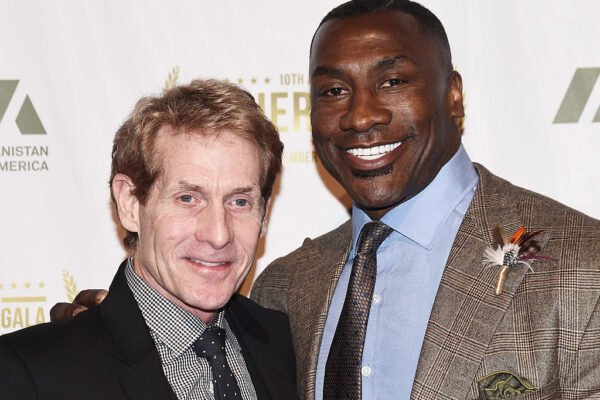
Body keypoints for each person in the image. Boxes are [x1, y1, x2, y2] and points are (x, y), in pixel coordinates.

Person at [50, 1, 600, 399]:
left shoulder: (582, 266)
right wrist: (108, 332)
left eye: (392, 82)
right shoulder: (287, 287)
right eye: (334, 91)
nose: (361, 116)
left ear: (452, 94)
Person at [0, 79, 298, 400]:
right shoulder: (30, 374)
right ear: (130, 204)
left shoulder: (288, 343)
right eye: (188, 198)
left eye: (239, 201)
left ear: (264, 213)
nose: (218, 234)